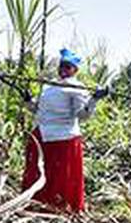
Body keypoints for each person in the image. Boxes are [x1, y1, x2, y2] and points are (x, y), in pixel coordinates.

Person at [20, 48, 107, 212]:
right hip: (42, 136)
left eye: (68, 67)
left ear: (75, 70)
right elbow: (38, 110)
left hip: (63, 138)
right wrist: (28, 101)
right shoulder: (49, 86)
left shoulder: (77, 88)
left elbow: (82, 115)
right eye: (61, 66)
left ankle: (61, 208)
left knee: (61, 177)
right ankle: (37, 204)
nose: (63, 70)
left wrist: (94, 99)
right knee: (40, 172)